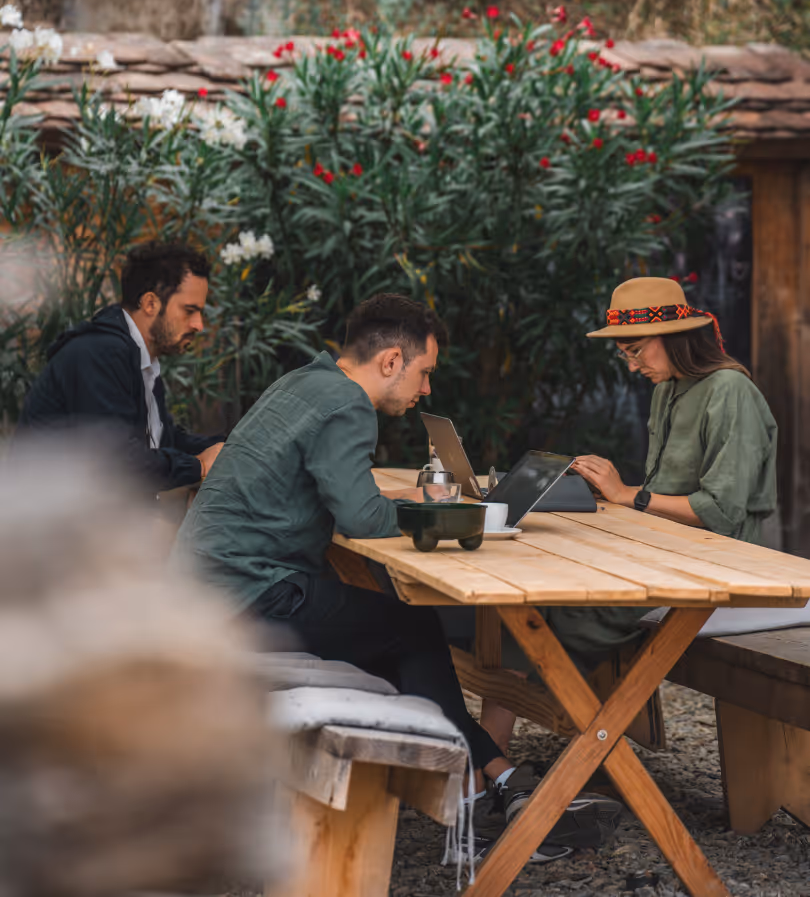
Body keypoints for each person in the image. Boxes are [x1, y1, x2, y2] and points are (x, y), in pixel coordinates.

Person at [173, 292, 622, 863]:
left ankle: (494, 782)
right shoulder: (347, 406)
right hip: (249, 595)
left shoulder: (304, 383)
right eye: (424, 373)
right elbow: (363, 519)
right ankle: (477, 810)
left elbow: (338, 491)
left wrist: (407, 495)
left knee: (396, 638)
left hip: (207, 591)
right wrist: (459, 516)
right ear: (390, 361)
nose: (426, 390)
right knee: (409, 632)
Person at [474, 276, 778, 761]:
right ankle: (492, 758)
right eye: (625, 355)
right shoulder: (668, 389)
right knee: (532, 595)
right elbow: (659, 492)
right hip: (663, 549)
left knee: (565, 607)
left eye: (637, 351)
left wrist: (626, 495)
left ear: (676, 337)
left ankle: (541, 735)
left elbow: (721, 511)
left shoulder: (730, 391)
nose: (633, 365)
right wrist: (611, 493)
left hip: (719, 562)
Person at [17, 240, 224, 492]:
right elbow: (115, 463)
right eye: (189, 310)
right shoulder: (98, 353)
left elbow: (163, 441)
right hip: (47, 524)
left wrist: (232, 448)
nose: (199, 325)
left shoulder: (137, 357)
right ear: (150, 304)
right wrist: (197, 467)